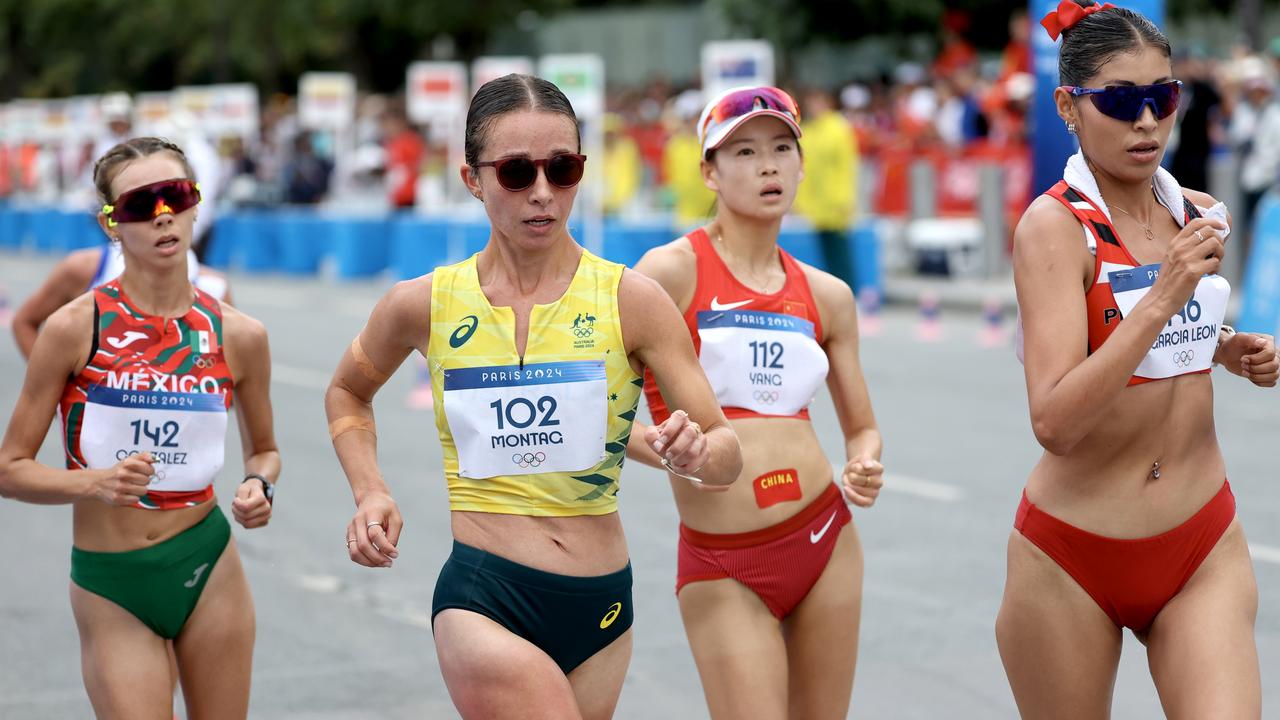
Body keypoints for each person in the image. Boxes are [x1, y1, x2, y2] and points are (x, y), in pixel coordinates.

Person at [324, 74, 743, 720]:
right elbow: (348, 392)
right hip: (485, 598)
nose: (544, 193)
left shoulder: (631, 301)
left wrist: (694, 453)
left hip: (601, 606)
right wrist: (370, 490)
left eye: (563, 168)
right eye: (517, 172)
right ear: (472, 179)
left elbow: (725, 450)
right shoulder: (423, 305)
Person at [998, 3, 1278, 718]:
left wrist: (1226, 351)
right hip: (1074, 557)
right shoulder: (1054, 228)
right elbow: (1056, 420)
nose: (1148, 121)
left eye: (1164, 97)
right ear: (1069, 106)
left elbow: (1159, 344)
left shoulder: (1197, 211)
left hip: (1200, 542)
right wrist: (1168, 293)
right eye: (1123, 101)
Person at [0, 137, 281, 719]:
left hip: (209, 566)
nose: (161, 216)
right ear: (111, 224)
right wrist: (94, 483)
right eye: (139, 204)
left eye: (174, 195)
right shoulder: (73, 327)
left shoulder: (240, 334)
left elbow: (266, 451)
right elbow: (10, 470)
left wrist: (260, 487)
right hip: (114, 582)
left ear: (196, 203)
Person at [628, 85, 885, 719]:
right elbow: (595, 412)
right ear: (709, 173)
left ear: (801, 163)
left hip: (826, 539)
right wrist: (671, 449)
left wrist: (864, 461)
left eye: (780, 148)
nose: (767, 165)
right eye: (742, 151)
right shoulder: (668, 273)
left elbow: (863, 429)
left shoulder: (827, 295)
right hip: (724, 561)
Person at [11, 240, 233, 360]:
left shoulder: (215, 289)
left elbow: (215, 368)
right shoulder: (85, 269)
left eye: (178, 199)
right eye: (141, 202)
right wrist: (56, 387)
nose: (163, 214)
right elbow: (25, 322)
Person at [793, 87, 859, 288]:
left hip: (835, 203)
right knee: (825, 255)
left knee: (840, 254)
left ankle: (849, 293)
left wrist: (844, 198)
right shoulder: (811, 131)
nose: (814, 107)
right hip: (817, 206)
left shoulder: (838, 128)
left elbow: (846, 165)